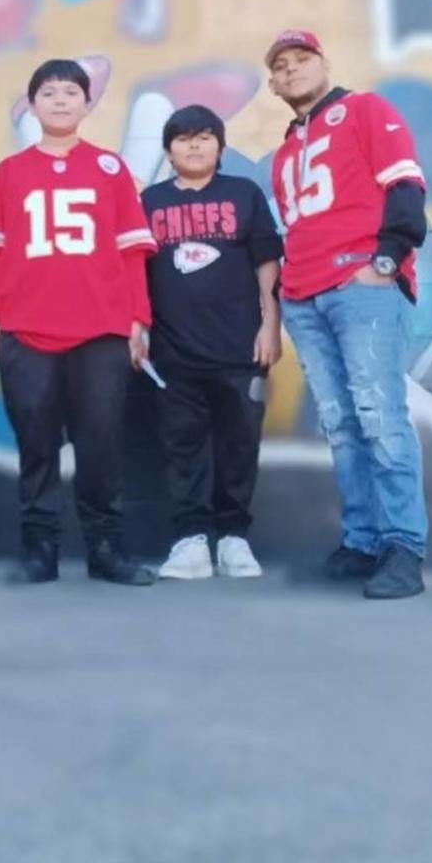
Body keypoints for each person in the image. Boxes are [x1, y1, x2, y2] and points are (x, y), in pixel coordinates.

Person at [0, 58, 158, 586]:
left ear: (87, 103)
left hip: (100, 331)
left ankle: (106, 549)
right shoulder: (10, 173)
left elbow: (132, 254)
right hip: (26, 333)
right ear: (32, 105)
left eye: (70, 91)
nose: (59, 100)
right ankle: (40, 551)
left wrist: (137, 320)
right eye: (48, 92)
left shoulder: (110, 169)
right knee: (36, 445)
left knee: (101, 445)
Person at [267, 28, 429, 599]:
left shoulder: (365, 109)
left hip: (360, 283)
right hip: (305, 295)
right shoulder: (287, 150)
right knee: (339, 424)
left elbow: (406, 188)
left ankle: (403, 546)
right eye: (281, 65)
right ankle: (363, 541)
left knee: (379, 413)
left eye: (301, 58)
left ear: (324, 62)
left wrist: (384, 260)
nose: (292, 70)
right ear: (272, 82)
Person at [141, 106, 283, 580]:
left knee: (239, 443)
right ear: (168, 149)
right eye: (182, 138)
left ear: (220, 147)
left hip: (240, 348)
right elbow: (133, 273)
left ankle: (235, 538)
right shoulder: (150, 201)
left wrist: (270, 324)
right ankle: (191, 540)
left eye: (204, 137)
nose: (194, 145)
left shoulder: (244, 194)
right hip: (173, 351)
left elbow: (267, 264)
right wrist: (136, 328)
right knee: (183, 446)